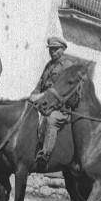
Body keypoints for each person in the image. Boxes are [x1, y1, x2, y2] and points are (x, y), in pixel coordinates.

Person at [29, 37, 75, 167]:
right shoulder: (49, 65)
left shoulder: (67, 66)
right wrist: (33, 95)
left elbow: (61, 89)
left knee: (51, 120)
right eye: (51, 49)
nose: (52, 52)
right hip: (44, 103)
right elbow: (40, 84)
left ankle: (46, 153)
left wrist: (42, 96)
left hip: (60, 107)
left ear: (63, 49)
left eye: (55, 49)